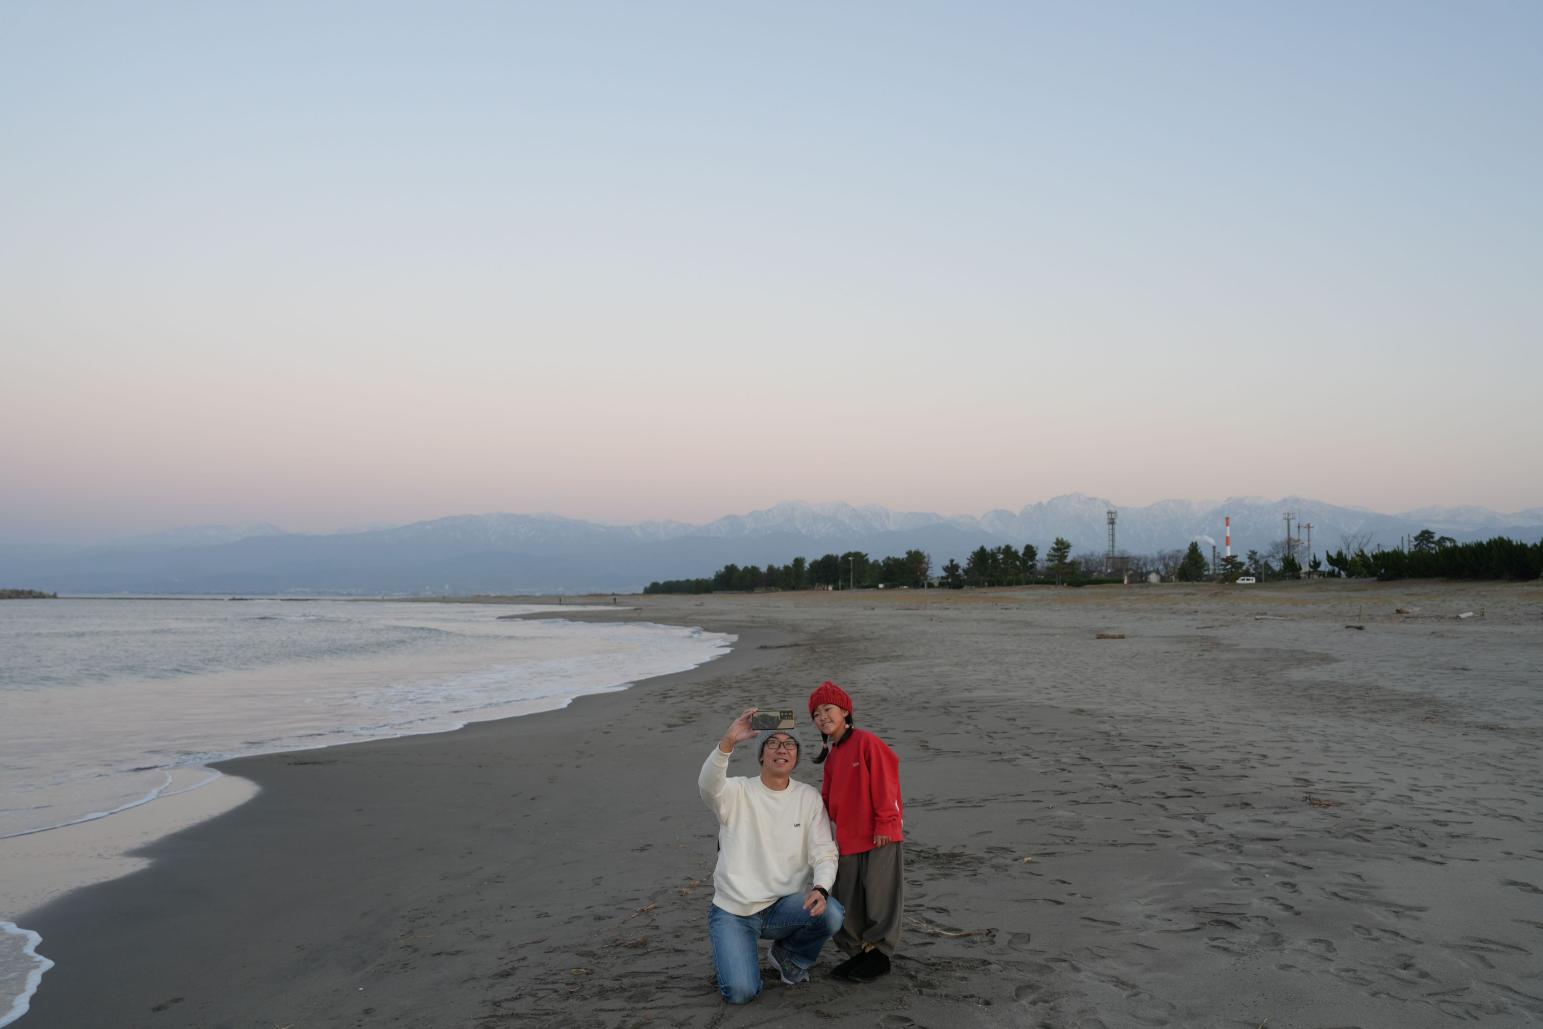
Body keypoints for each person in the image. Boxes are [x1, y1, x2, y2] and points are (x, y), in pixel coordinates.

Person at [699, 707, 845, 1004]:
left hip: (782, 907)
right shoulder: (737, 792)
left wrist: (821, 887)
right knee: (741, 992)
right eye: (773, 743)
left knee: (831, 912)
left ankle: (790, 956)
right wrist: (727, 742)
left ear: (796, 756)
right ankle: (735, 955)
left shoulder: (808, 797)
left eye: (790, 744)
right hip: (734, 912)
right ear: (762, 755)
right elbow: (708, 786)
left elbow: (824, 852)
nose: (782, 749)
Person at [808, 680, 905, 982]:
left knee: (879, 895)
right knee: (849, 898)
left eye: (829, 709)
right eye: (816, 713)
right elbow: (825, 799)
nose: (823, 716)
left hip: (879, 835)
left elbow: (886, 780)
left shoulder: (866, 742)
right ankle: (859, 952)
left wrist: (887, 821)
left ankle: (879, 953)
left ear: (845, 712)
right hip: (847, 839)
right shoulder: (834, 754)